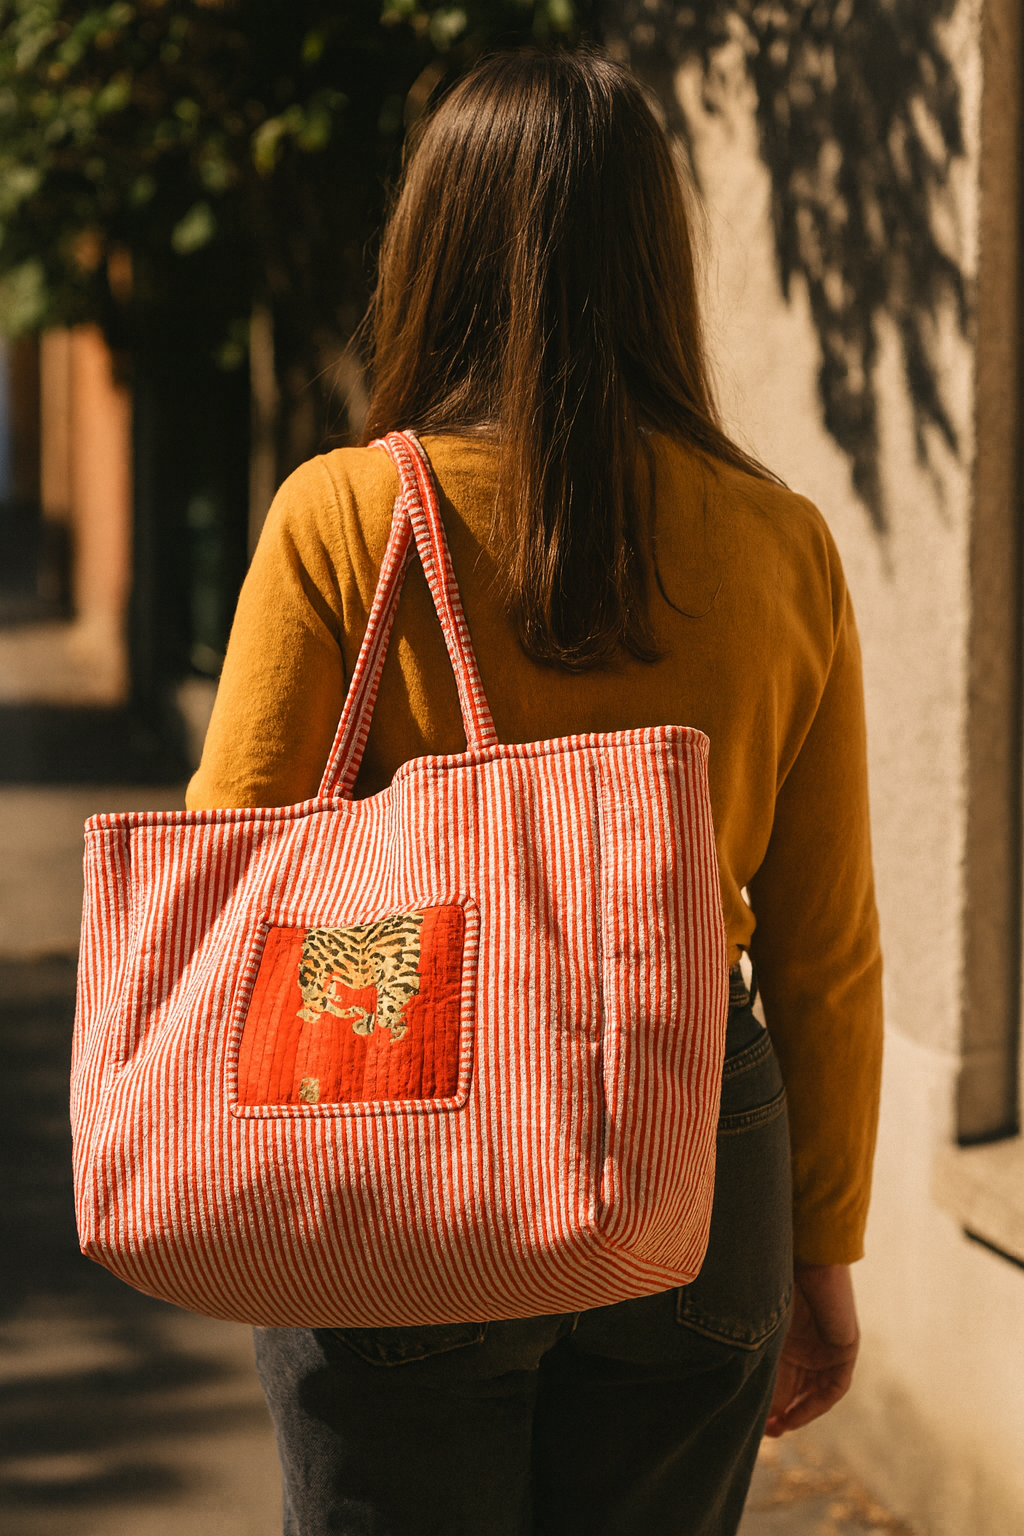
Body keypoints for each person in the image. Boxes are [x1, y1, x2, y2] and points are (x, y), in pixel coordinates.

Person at [187, 46, 883, 1536]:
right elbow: (826, 945)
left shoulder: (347, 515)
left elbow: (233, 864)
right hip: (699, 1151)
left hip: (402, 1124)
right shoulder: (786, 545)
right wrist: (822, 1241)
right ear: (657, 260)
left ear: (431, 247)